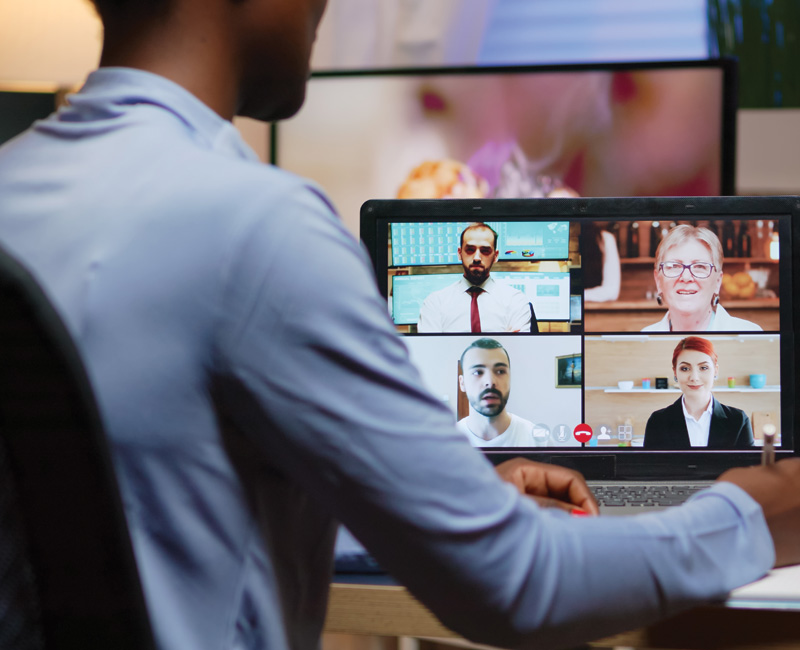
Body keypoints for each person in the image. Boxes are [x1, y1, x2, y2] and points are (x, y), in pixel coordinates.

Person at [0, 2, 799, 650]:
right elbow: (518, 587)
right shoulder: (259, 228)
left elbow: (130, 511)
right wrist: (754, 515)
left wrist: (438, 500)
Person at [642, 224, 762, 332]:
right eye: (674, 266)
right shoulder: (643, 342)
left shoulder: (752, 336)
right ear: (658, 281)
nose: (686, 277)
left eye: (699, 266)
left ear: (717, 282)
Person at [417, 222, 533, 332]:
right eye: (470, 250)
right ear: (459, 253)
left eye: (485, 251)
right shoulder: (435, 303)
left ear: (495, 256)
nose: (477, 257)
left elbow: (517, 350)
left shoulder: (515, 300)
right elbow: (431, 351)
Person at [644, 337, 755, 449]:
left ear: (715, 370)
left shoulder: (738, 420)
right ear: (675, 372)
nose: (694, 378)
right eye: (685, 369)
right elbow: (649, 466)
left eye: (703, 368)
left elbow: (748, 466)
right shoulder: (657, 421)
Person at [456, 338, 538, 447]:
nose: (490, 382)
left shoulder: (537, 439)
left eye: (500, 371)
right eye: (478, 372)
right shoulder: (444, 442)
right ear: (462, 383)